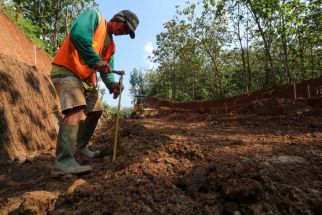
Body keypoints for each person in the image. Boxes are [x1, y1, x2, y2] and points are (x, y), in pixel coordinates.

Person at [50, 9, 139, 175]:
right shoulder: (94, 18)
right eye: (125, 27)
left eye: (127, 32)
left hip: (84, 80)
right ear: (118, 18)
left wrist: (112, 84)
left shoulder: (111, 47)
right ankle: (64, 161)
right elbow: (77, 35)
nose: (124, 32)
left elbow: (105, 70)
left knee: (96, 110)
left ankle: (80, 146)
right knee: (75, 108)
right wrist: (96, 61)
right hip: (67, 70)